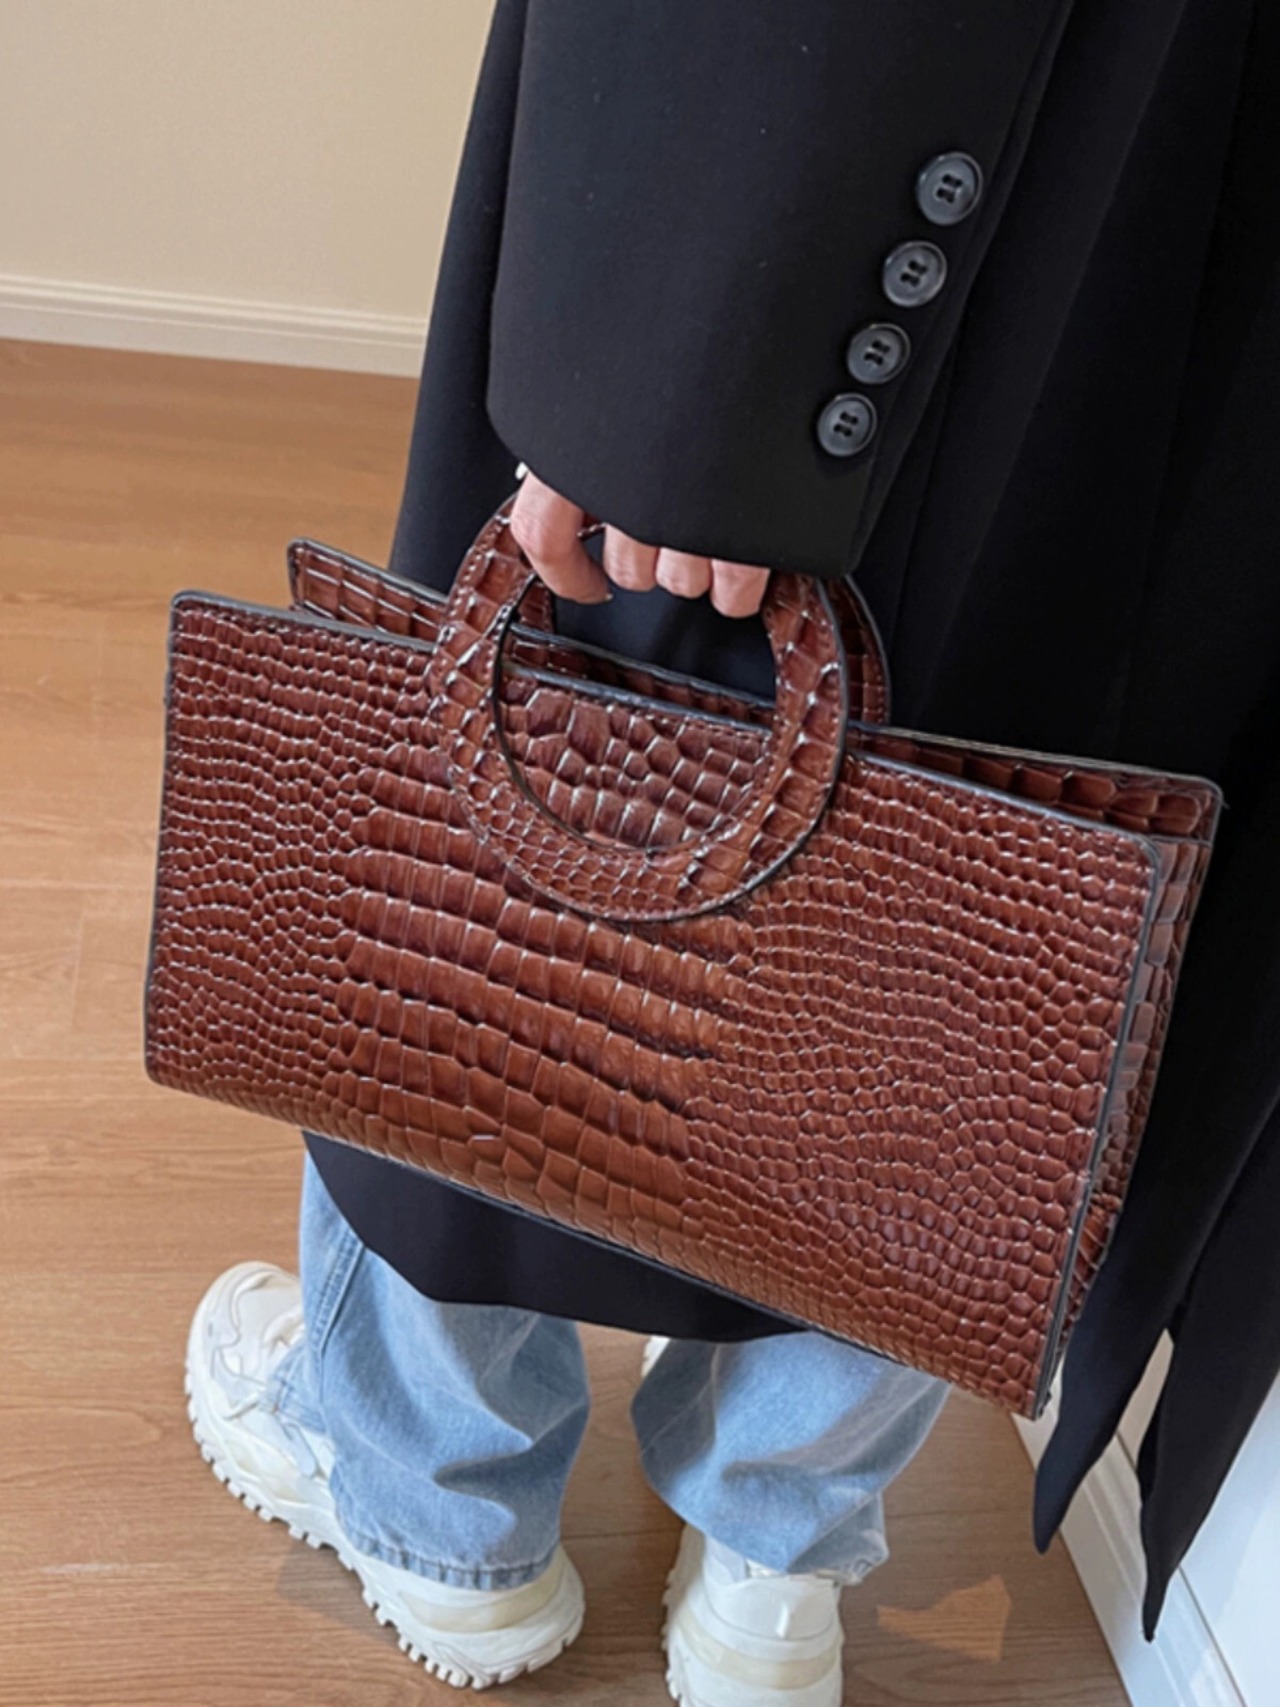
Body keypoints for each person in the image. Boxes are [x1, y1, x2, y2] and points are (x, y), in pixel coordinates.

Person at [187, 0, 1280, 1695]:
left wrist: (656, 367)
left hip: (796, 167)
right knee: (990, 870)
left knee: (510, 810)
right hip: (1208, 205)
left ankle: (440, 1502)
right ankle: (776, 1554)